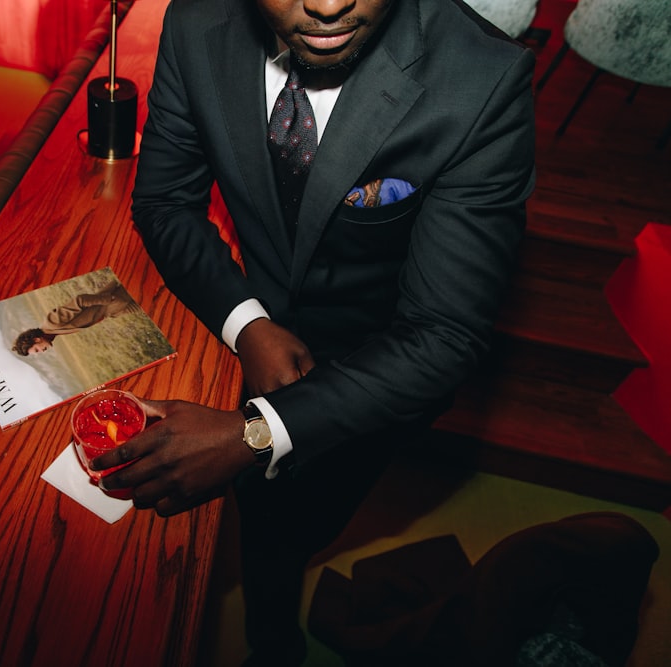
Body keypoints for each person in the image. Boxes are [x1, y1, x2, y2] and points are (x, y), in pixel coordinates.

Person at [90, 0, 536, 664]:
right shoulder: (194, 22)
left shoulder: (481, 79)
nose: (328, 5)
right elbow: (165, 202)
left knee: (290, 527)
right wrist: (248, 324)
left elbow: (443, 331)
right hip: (252, 323)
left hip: (377, 373)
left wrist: (256, 431)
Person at [11, 280, 140, 355]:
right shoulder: (52, 332)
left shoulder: (51, 323)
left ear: (37, 339)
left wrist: (108, 299)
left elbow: (80, 301)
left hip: (117, 298)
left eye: (37, 350)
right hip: (114, 310)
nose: (42, 352)